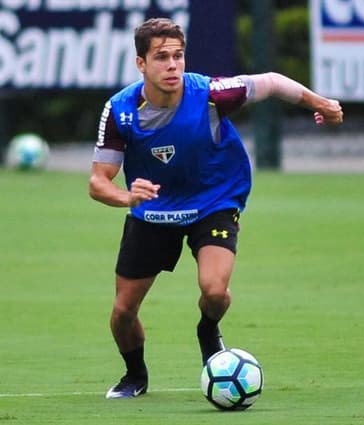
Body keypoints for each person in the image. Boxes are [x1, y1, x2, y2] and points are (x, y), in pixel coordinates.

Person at [88, 17, 343, 399]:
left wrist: (320, 103)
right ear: (141, 64)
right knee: (123, 312)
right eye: (161, 58)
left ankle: (207, 329)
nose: (172, 65)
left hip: (214, 200)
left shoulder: (210, 93)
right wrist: (128, 197)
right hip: (154, 210)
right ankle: (135, 376)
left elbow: (271, 81)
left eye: (178, 56)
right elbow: (98, 181)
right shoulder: (121, 111)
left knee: (214, 290)